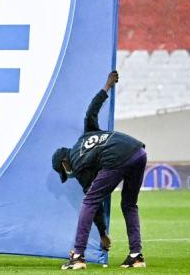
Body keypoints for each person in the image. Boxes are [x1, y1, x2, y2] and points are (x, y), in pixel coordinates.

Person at [52, 71, 147, 270]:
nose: (67, 175)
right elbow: (91, 111)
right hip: (137, 151)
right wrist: (107, 86)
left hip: (117, 158)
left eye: (64, 171)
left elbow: (95, 204)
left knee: (88, 202)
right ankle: (136, 256)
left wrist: (103, 233)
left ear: (64, 163)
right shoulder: (86, 134)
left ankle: (77, 256)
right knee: (129, 204)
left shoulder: (77, 165)